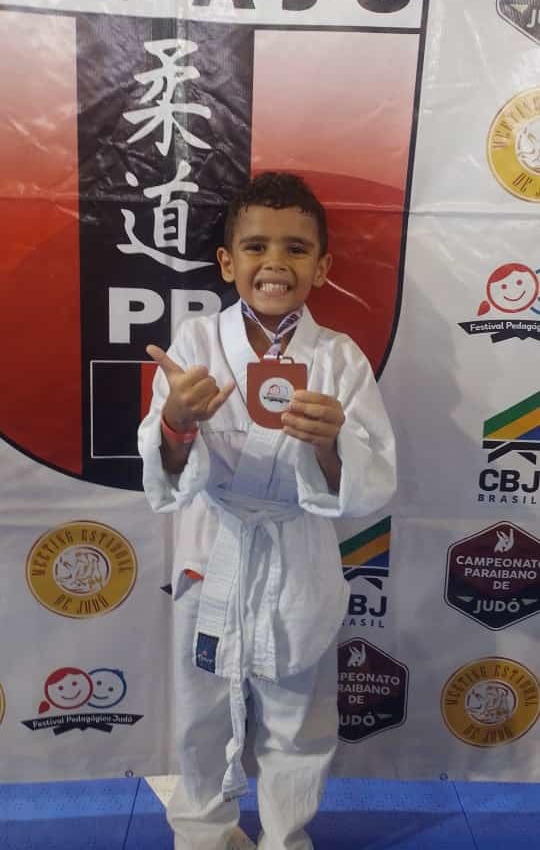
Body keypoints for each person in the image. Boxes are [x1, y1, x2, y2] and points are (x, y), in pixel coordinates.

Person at [138, 172, 396, 850]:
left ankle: (286, 839)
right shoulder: (196, 342)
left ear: (322, 267)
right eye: (256, 247)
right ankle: (203, 835)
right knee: (199, 715)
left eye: (296, 249)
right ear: (228, 262)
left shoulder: (339, 358)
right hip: (214, 549)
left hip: (296, 553)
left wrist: (332, 442)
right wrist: (176, 422)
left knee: (297, 719)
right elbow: (165, 471)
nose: (275, 263)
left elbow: (372, 482)